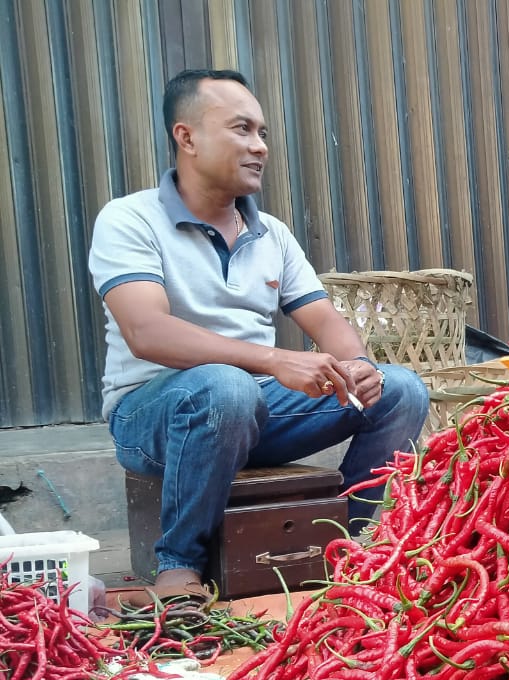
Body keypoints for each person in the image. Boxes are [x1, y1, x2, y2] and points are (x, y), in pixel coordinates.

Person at [88, 68, 430, 598]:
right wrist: (272, 361)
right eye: (242, 129)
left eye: (263, 133)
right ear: (187, 137)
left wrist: (358, 365)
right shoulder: (130, 219)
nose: (260, 146)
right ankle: (180, 565)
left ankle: (356, 547)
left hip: (254, 409)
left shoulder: (271, 233)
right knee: (225, 385)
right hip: (156, 416)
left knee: (400, 388)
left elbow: (324, 320)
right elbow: (146, 331)